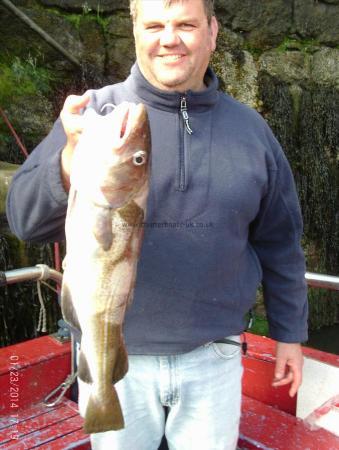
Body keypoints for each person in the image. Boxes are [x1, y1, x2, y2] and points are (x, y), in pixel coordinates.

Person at [6, 0, 308, 449]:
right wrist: (69, 159)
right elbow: (25, 222)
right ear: (135, 30)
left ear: (212, 31)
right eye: (154, 25)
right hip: (111, 354)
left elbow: (280, 242)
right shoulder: (92, 116)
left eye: (186, 23)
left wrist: (290, 335)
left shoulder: (253, 131)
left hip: (215, 357)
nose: (170, 38)